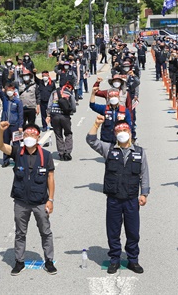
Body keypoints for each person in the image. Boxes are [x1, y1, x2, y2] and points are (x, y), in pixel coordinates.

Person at [87, 117, 149, 275]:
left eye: (124, 130)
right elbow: (91, 140)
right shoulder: (109, 149)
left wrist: (144, 193)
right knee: (113, 231)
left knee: (133, 232)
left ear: (130, 132)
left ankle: (133, 260)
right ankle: (114, 259)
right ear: (115, 134)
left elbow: (144, 173)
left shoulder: (139, 152)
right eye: (119, 131)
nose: (122, 133)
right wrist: (97, 124)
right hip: (114, 199)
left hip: (131, 199)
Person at [0, 122, 57, 276]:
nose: (29, 137)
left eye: (32, 134)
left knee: (45, 232)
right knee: (20, 233)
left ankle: (49, 261)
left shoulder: (46, 155)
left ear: (38, 137)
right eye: (27, 134)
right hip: (21, 201)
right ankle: (19, 261)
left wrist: (51, 200)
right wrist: (0, 131)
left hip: (40, 201)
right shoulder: (17, 152)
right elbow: (0, 146)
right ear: (23, 137)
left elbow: (50, 178)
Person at [0, 79, 24, 167]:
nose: (9, 92)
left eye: (11, 90)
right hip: (5, 126)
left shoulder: (18, 101)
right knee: (5, 142)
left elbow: (21, 115)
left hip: (15, 125)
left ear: (14, 91)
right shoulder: (5, 99)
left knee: (16, 144)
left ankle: (17, 159)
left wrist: (21, 126)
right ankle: (5, 160)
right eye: (8, 90)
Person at [46, 82, 77, 160]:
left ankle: (61, 153)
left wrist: (48, 115)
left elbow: (49, 105)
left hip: (54, 116)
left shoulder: (54, 92)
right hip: (65, 117)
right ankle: (67, 152)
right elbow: (73, 106)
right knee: (68, 133)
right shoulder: (69, 93)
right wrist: (71, 111)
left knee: (58, 135)